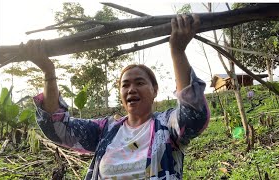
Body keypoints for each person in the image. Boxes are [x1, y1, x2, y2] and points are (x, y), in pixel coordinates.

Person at [21, 14, 210, 179]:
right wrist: (48, 72)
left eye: (140, 83)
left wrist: (177, 51)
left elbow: (193, 117)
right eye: (125, 85)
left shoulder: (166, 126)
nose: (131, 89)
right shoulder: (106, 131)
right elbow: (57, 128)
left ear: (155, 90)